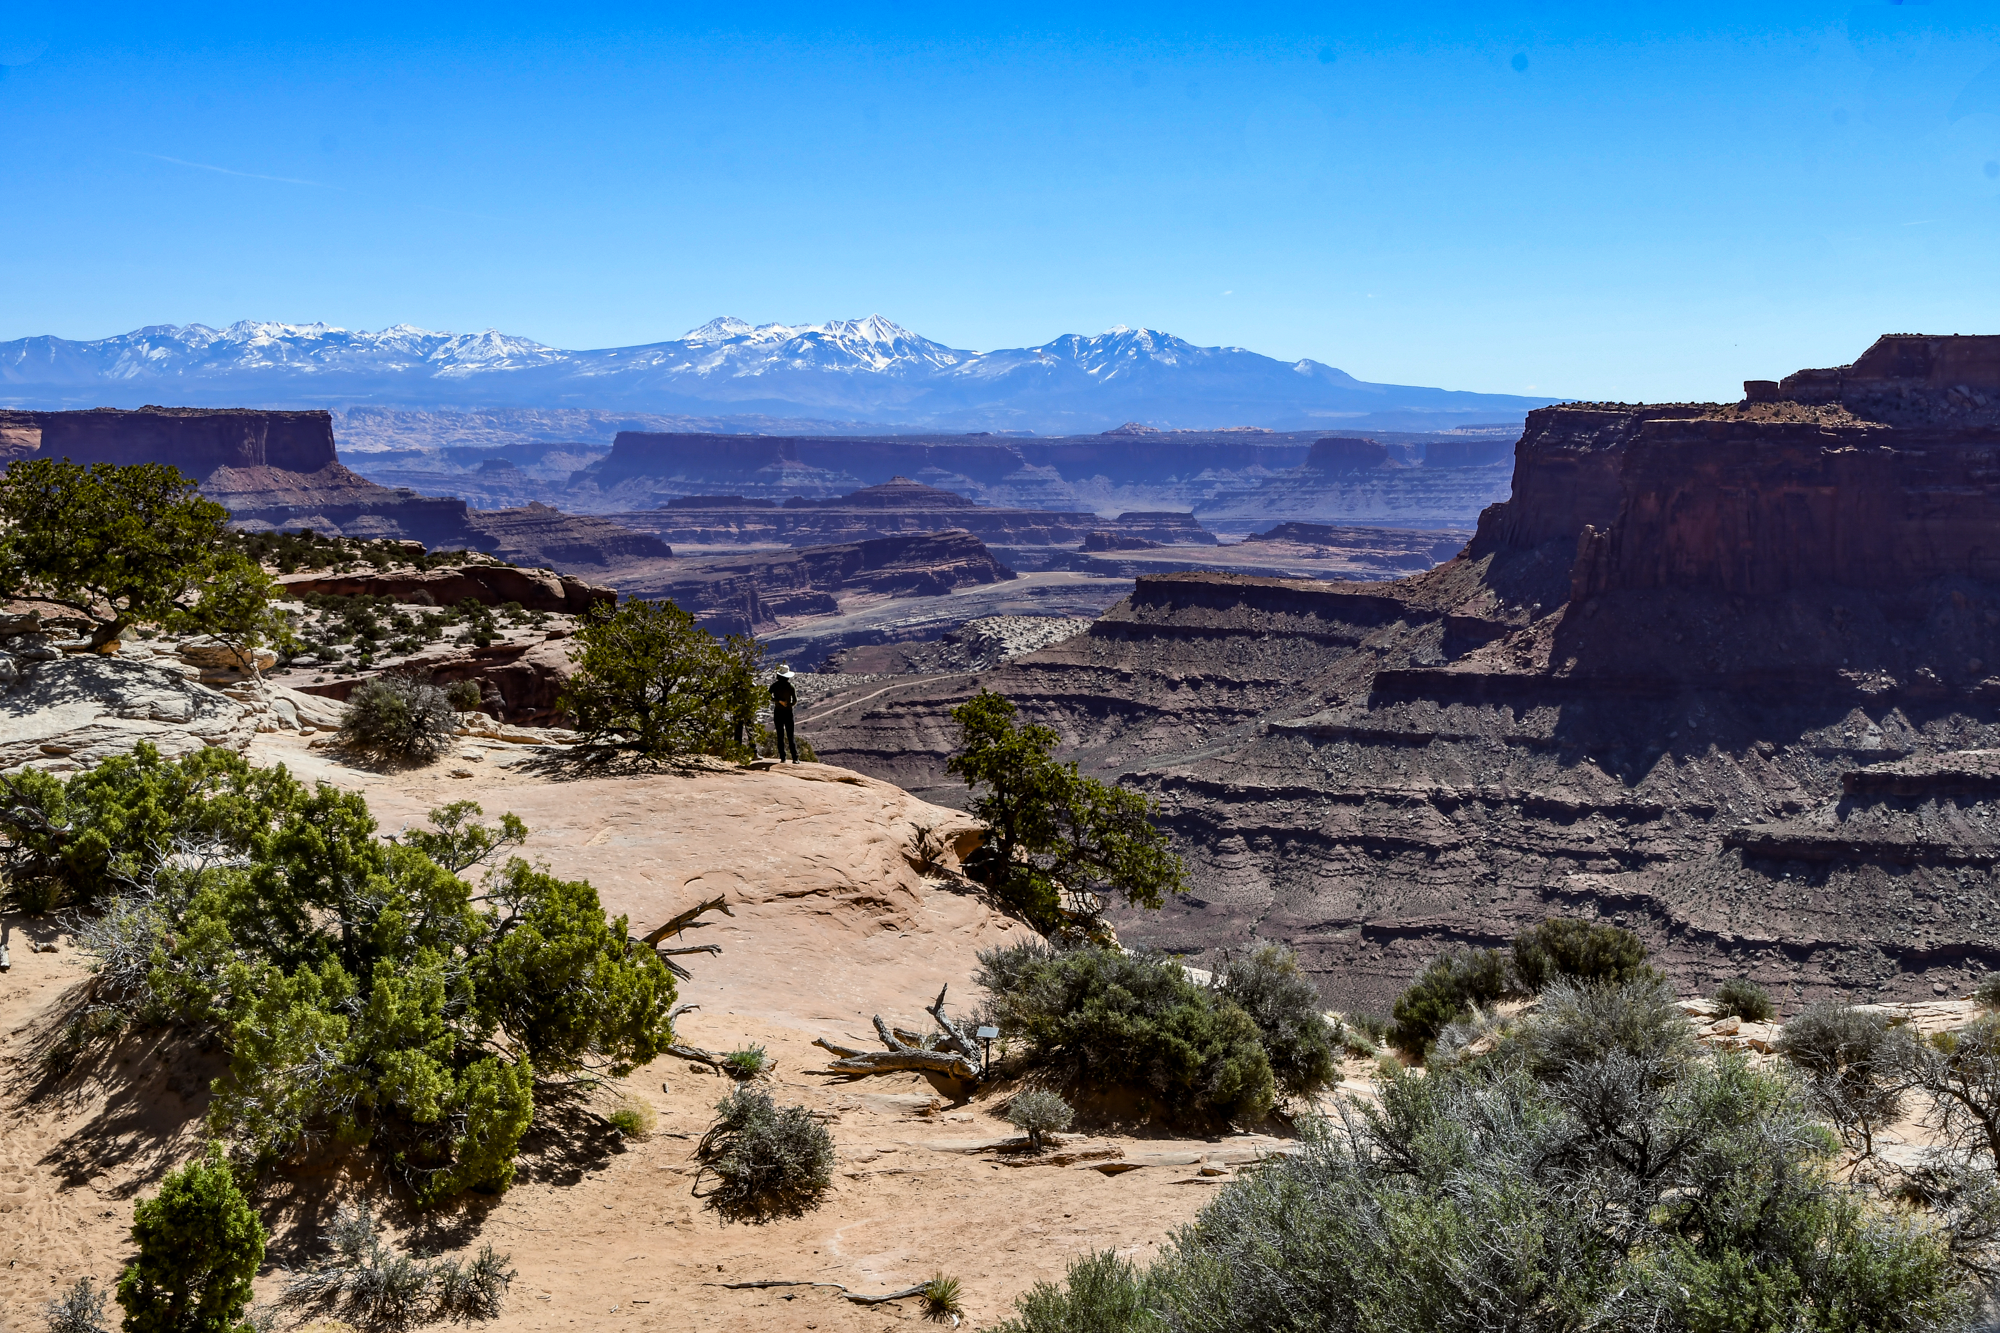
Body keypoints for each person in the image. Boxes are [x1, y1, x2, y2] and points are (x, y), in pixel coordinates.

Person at [769, 663, 799, 762]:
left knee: (780, 735)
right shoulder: (791, 686)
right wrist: (788, 705)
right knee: (790, 735)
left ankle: (783, 758)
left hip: (778, 712)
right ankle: (795, 758)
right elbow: (795, 701)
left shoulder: (774, 686)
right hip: (788, 713)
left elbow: (767, 696)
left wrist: (778, 701)